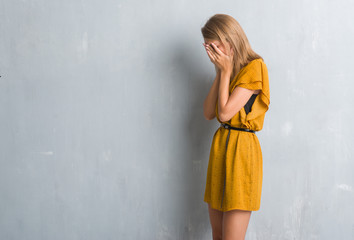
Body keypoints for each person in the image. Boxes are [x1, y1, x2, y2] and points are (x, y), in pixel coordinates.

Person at [201, 14, 270, 240]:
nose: (212, 52)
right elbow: (208, 112)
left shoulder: (255, 67)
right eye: (208, 47)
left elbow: (225, 112)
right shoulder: (228, 72)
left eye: (215, 45)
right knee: (218, 234)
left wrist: (227, 70)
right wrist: (221, 71)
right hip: (221, 148)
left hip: (242, 152)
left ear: (229, 40)